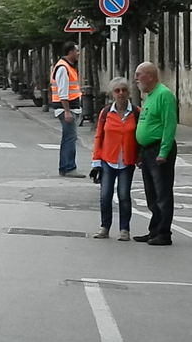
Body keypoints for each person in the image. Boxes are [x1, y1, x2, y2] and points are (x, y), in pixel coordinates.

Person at [133, 62, 178, 246]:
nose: (136, 78)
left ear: (150, 76)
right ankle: (154, 230)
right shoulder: (149, 96)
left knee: (162, 193)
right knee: (151, 194)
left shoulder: (164, 95)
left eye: (139, 74)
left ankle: (163, 233)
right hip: (148, 150)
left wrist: (164, 151)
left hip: (159, 149)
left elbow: (169, 124)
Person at [90, 77, 139, 241]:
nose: (121, 93)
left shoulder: (136, 112)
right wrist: (96, 161)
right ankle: (105, 227)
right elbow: (99, 137)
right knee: (105, 195)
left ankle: (125, 230)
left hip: (127, 161)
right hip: (107, 160)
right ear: (112, 94)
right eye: (117, 90)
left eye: (124, 90)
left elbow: (140, 136)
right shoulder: (105, 113)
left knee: (124, 195)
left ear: (129, 92)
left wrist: (141, 157)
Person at [50, 42, 85, 178]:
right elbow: (63, 91)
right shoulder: (63, 68)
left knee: (67, 138)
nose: (78, 53)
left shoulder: (67, 66)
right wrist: (67, 111)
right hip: (66, 108)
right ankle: (69, 167)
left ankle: (64, 167)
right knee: (70, 138)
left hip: (69, 108)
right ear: (70, 52)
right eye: (76, 51)